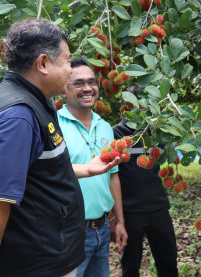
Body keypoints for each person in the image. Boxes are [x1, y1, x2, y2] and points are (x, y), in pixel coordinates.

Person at [0, 18, 121, 277]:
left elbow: (37, 172)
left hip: (53, 254)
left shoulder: (37, 103)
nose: (70, 70)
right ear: (43, 63)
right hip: (38, 263)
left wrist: (88, 169)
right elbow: (1, 199)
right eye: (67, 60)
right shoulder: (19, 116)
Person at [57, 57, 128, 277]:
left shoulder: (105, 127)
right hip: (69, 232)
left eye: (92, 82)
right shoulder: (53, 125)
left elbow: (112, 177)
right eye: (78, 83)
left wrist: (119, 222)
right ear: (63, 89)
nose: (87, 88)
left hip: (103, 229)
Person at [113, 85, 179, 277]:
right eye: (144, 102)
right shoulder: (116, 134)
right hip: (130, 212)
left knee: (168, 261)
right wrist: (117, 219)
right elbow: (112, 175)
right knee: (130, 266)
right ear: (129, 103)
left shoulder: (158, 132)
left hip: (159, 208)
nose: (149, 107)